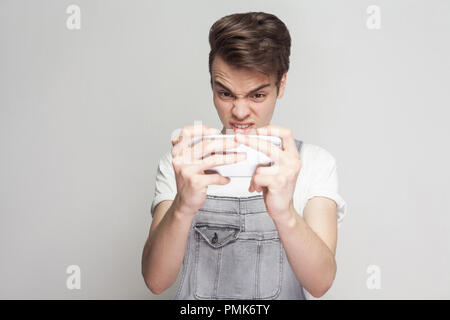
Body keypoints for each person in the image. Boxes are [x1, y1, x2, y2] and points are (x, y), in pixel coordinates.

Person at [141, 12, 347, 300]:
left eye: (257, 96)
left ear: (281, 85)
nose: (239, 112)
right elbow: (155, 281)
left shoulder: (313, 163)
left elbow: (321, 282)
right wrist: (183, 207)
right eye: (225, 93)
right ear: (212, 83)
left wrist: (285, 214)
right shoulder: (183, 163)